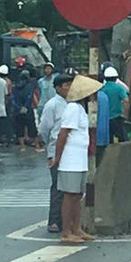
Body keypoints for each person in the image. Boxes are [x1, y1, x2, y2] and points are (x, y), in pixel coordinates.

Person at [49, 75, 101, 244]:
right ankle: (66, 231)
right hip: (70, 159)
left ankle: (77, 229)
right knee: (70, 195)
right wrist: (57, 158)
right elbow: (63, 134)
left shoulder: (79, 109)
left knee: (78, 195)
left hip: (79, 159)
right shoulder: (72, 108)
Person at [39, 74, 74, 234]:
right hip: (56, 149)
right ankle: (54, 221)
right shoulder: (52, 105)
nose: (69, 88)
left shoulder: (74, 104)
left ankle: (68, 220)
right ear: (58, 88)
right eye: (66, 85)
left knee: (71, 187)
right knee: (58, 186)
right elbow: (44, 129)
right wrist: (51, 147)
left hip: (72, 150)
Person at [12, 70, 42, 153]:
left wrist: (18, 107)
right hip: (28, 110)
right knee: (32, 128)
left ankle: (22, 147)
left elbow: (13, 99)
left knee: (19, 129)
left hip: (17, 110)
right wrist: (25, 107)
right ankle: (37, 146)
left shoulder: (15, 86)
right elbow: (29, 97)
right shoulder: (29, 86)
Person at [100, 66, 129, 143]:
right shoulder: (119, 88)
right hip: (117, 117)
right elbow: (126, 100)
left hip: (106, 119)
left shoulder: (102, 89)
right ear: (116, 78)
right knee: (122, 140)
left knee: (109, 140)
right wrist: (124, 114)